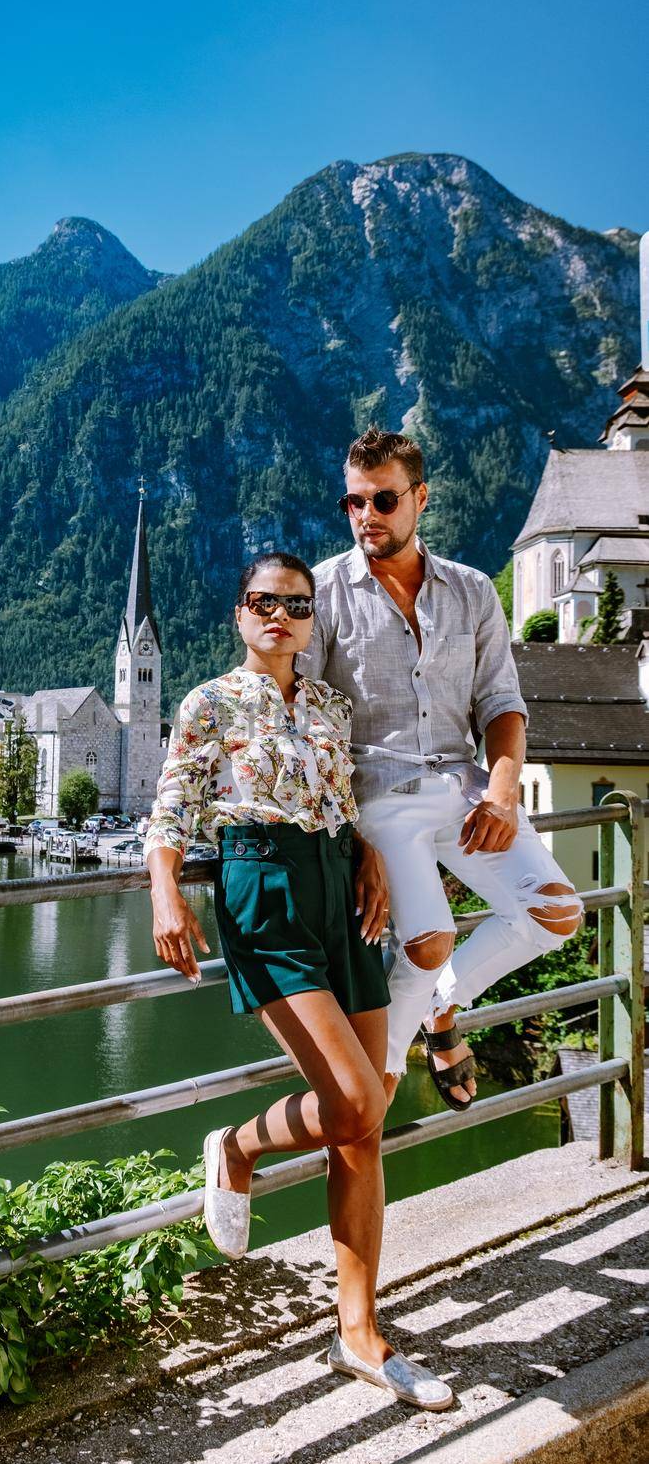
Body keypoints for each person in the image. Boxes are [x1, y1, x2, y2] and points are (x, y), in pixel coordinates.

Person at [143, 552, 454, 1411]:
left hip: (339, 898)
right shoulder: (207, 702)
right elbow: (170, 809)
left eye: (295, 605)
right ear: (238, 616)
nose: (278, 616)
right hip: (265, 893)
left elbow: (342, 802)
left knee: (361, 1133)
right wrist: (167, 893)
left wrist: (368, 858)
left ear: (312, 620)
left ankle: (358, 1334)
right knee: (357, 1102)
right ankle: (235, 1148)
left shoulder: (325, 703)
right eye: (260, 603)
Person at [300, 426, 584, 1108]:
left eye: (383, 500)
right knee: (425, 941)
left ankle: (441, 1010)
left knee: (557, 914)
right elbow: (306, 722)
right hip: (376, 797)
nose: (365, 516)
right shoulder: (322, 591)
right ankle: (383, 1082)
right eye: (352, 502)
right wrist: (353, 836)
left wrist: (505, 790)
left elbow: (500, 702)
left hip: (462, 789)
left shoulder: (472, 590)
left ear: (419, 499)